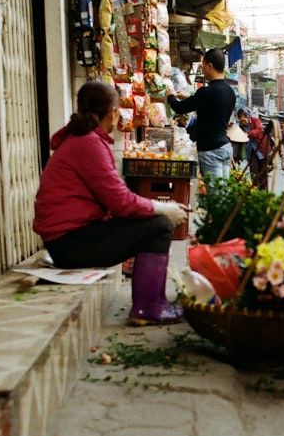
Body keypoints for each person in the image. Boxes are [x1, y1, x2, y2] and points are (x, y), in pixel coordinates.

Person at [33, 81, 187, 326]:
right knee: (159, 225)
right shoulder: (88, 143)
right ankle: (149, 307)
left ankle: (154, 303)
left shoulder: (82, 140)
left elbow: (117, 199)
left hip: (67, 240)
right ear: (114, 112)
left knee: (151, 220)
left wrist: (152, 207)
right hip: (71, 245)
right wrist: (164, 208)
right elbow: (121, 202)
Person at [167, 48, 236, 180]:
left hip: (211, 150)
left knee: (215, 197)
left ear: (210, 66)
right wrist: (189, 97)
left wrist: (170, 95)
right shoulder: (230, 91)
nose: (202, 69)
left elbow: (178, 108)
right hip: (225, 147)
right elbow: (211, 109)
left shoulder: (206, 92)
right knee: (224, 193)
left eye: (203, 66)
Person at [239, 107, 272, 189]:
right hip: (250, 151)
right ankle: (255, 189)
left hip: (261, 150)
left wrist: (248, 133)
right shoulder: (240, 127)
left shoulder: (255, 121)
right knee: (253, 171)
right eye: (241, 121)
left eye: (244, 120)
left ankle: (263, 191)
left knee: (263, 172)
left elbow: (259, 130)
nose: (243, 122)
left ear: (248, 117)